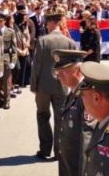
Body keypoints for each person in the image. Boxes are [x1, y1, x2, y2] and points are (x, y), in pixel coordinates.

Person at [29, 9, 75, 160]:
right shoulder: (69, 42)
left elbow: (36, 65)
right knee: (60, 117)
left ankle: (45, 149)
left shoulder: (43, 40)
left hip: (43, 85)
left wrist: (33, 86)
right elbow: (74, 66)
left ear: (53, 23)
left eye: (47, 22)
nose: (45, 25)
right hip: (62, 86)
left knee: (42, 116)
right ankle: (59, 151)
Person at [0, 13, 17, 113]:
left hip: (6, 59)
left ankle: (7, 101)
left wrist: (13, 60)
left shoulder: (10, 32)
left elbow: (14, 48)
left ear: (4, 21)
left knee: (6, 83)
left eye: (0, 21)